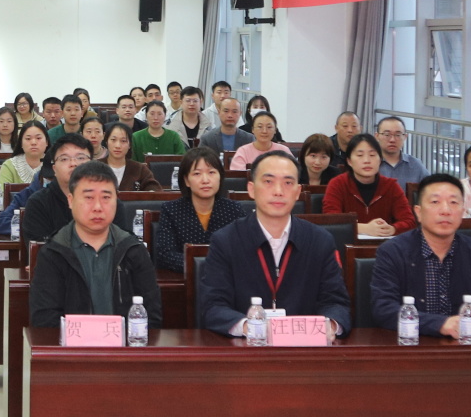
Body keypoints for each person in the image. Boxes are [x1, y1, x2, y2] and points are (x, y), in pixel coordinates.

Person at [200, 152, 352, 335]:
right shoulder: (226, 240)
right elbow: (213, 306)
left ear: (298, 192)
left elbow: (336, 303)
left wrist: (330, 326)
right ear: (251, 189)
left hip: (305, 346)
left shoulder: (320, 240)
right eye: (268, 181)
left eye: (288, 183)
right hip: (247, 346)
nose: (278, 191)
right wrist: (253, 328)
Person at [369, 173, 471, 334]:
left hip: (467, 343)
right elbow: (384, 309)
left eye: (453, 202)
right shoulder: (393, 252)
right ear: (418, 212)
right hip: (412, 344)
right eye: (435, 202)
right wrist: (441, 324)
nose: (445, 210)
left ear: (462, 212)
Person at [28, 161, 163, 335]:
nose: (98, 207)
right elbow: (44, 320)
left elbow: (152, 317)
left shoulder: (133, 249)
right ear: (71, 200)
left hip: (125, 348)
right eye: (88, 198)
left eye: (106, 198)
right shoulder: (54, 252)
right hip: (71, 349)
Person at [19, 134, 138, 244]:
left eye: (80, 158)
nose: (73, 163)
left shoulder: (109, 202)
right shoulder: (38, 202)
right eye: (64, 159)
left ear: (92, 164)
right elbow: (39, 251)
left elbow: (122, 245)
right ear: (54, 169)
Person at [151, 146, 246, 272]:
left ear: (220, 177)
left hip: (227, 279)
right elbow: (165, 255)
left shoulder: (234, 210)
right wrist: (202, 264)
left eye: (211, 172)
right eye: (197, 174)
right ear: (186, 180)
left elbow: (244, 251)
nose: (205, 180)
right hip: (185, 279)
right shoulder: (171, 210)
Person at [322, 133, 416, 237]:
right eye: (360, 155)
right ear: (349, 161)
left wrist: (393, 228)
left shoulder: (391, 186)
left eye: (372, 155)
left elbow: (409, 221)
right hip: (347, 245)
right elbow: (331, 220)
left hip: (384, 245)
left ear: (380, 160)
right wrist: (365, 228)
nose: (367, 161)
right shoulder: (337, 184)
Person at [0, 120, 49, 194]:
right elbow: (0, 196)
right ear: (21, 143)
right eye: (28, 139)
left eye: (38, 138)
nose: (33, 142)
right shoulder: (9, 166)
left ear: (47, 142)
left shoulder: (56, 165)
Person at [102, 122, 159, 191]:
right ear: (106, 142)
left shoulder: (139, 169)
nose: (118, 145)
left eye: (123, 141)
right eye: (113, 140)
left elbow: (154, 189)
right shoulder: (95, 167)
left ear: (129, 145)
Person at [373, 116, 428, 185]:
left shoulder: (415, 165)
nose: (392, 140)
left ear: (405, 137)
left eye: (398, 135)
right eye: (387, 135)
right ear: (377, 136)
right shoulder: (370, 163)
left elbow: (430, 187)